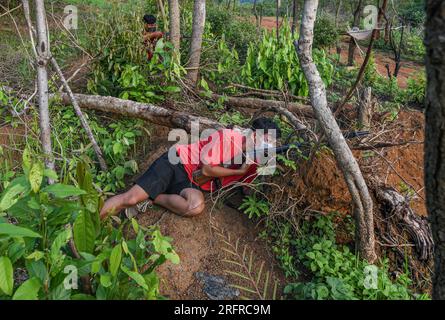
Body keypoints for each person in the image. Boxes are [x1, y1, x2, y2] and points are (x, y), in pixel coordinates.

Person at [99, 118, 281, 220]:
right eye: (268, 139)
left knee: (195, 207)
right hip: (177, 163)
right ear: (255, 135)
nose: (269, 145)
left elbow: (246, 187)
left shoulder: (256, 155)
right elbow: (208, 169)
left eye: (272, 143)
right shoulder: (228, 137)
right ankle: (91, 224)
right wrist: (239, 171)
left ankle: (152, 198)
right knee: (130, 198)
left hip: (193, 181)